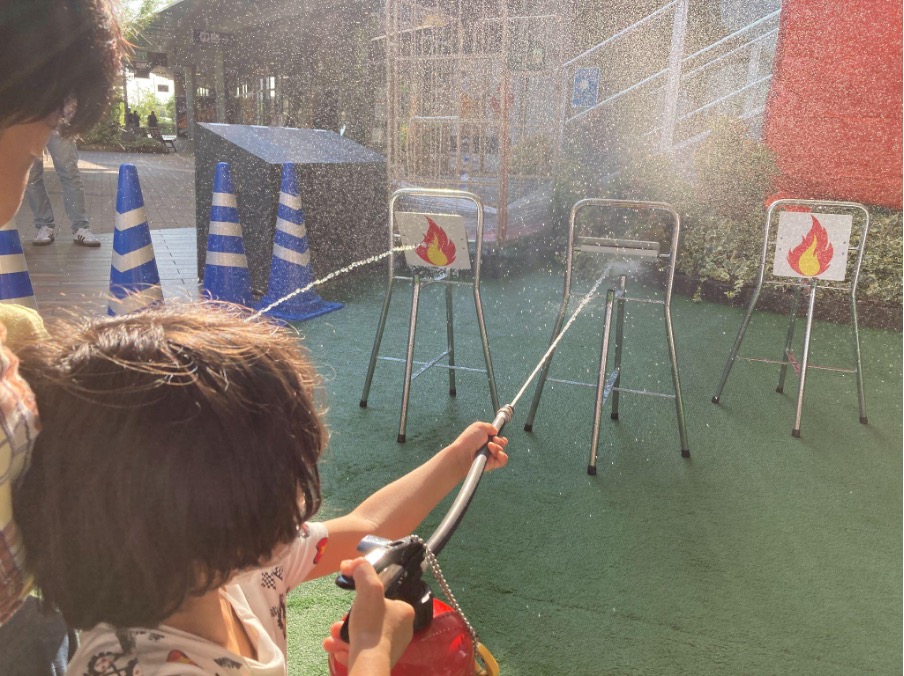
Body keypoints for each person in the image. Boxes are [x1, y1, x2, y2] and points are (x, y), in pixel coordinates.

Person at [14, 303, 509, 675]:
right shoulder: (135, 666)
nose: (299, 500)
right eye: (281, 478)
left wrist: (456, 459)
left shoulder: (237, 568)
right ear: (204, 500)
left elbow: (365, 527)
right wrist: (373, 653)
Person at [26, 131, 101, 247]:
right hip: (26, 124)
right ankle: (44, 226)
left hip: (57, 123)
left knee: (70, 174)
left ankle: (80, 227)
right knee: (31, 178)